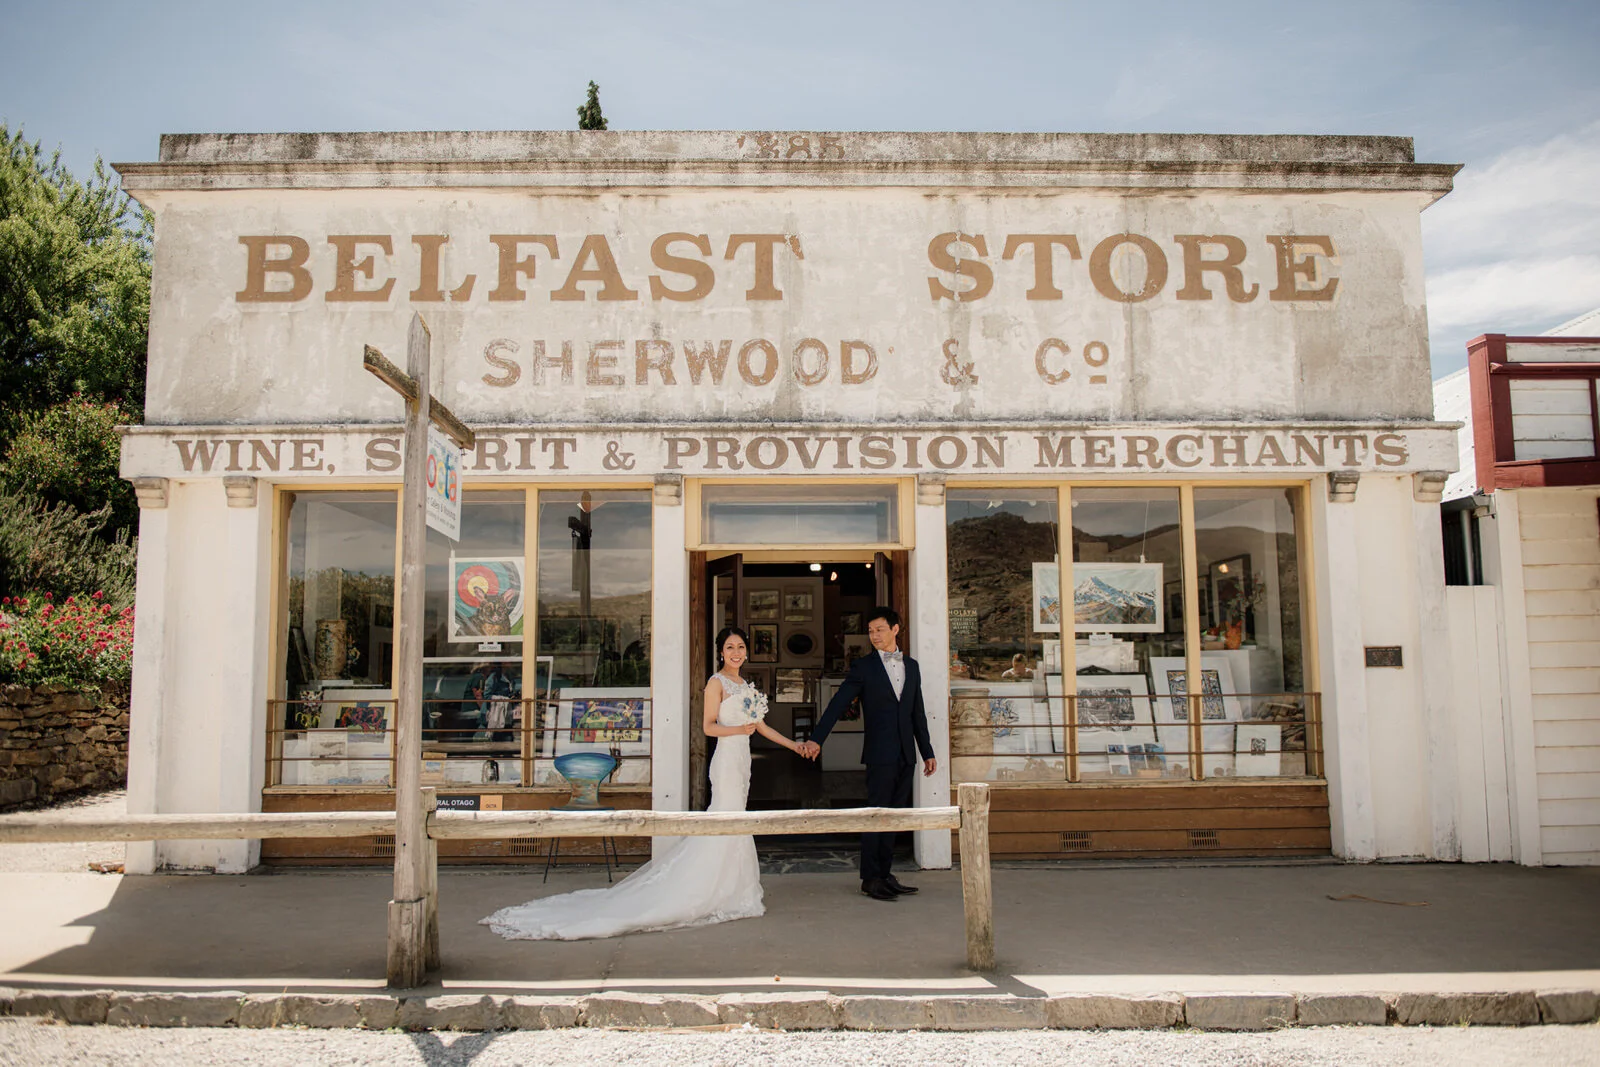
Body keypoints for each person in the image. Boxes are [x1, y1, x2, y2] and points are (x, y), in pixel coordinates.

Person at [481, 625, 809, 940]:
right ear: (720, 652)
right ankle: (711, 891)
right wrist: (738, 731)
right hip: (726, 760)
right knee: (727, 817)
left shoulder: (744, 684)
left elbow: (761, 727)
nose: (736, 652)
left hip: (742, 762)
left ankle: (735, 891)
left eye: (740, 646)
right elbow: (709, 727)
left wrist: (795, 745)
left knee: (736, 820)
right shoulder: (716, 683)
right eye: (729, 648)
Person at [798, 607, 936, 902]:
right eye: (871, 631)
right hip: (879, 753)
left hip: (906, 755)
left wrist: (927, 752)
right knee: (876, 815)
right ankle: (870, 879)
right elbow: (837, 704)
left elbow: (917, 712)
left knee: (895, 818)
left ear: (896, 629)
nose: (874, 636)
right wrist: (817, 739)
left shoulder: (911, 666)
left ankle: (885, 874)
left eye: (880, 629)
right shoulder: (864, 668)